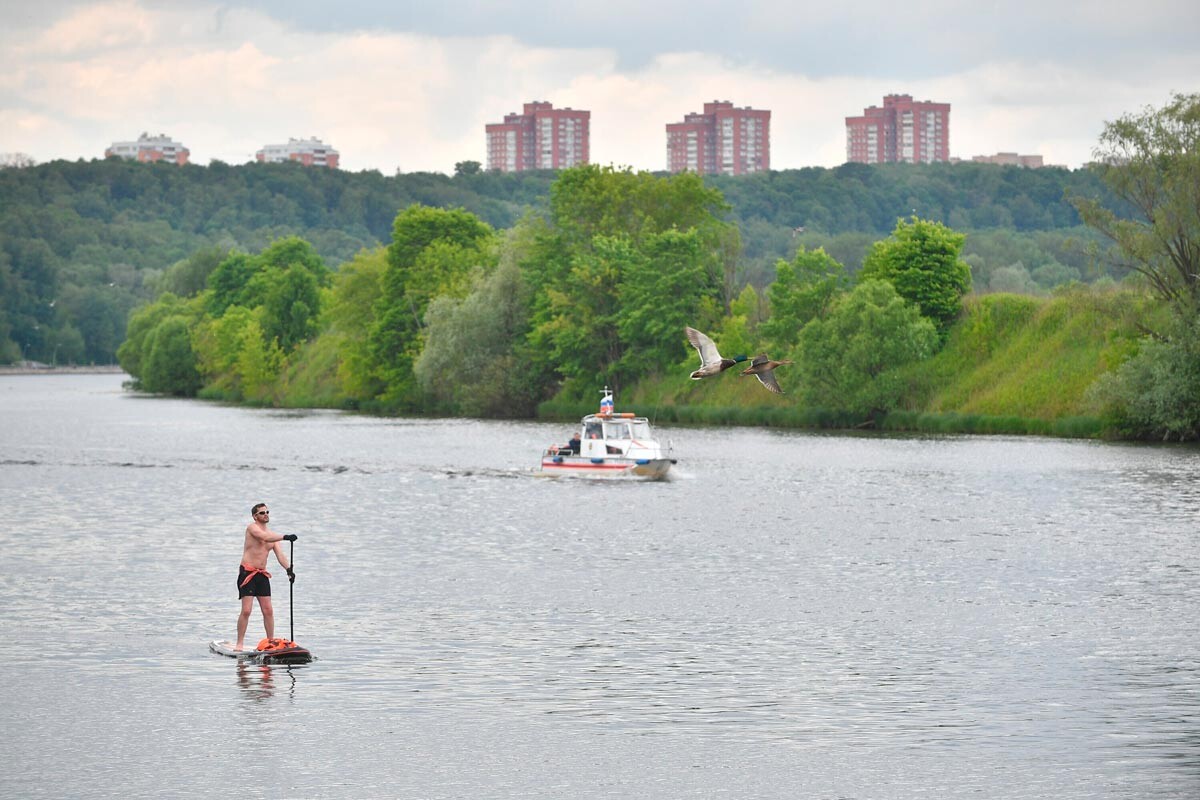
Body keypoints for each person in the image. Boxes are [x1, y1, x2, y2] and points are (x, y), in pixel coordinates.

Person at [235, 503, 297, 650]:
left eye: (267, 512)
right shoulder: (252, 528)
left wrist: (289, 570)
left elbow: (280, 555)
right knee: (246, 610)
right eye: (262, 513)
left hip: (262, 575)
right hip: (247, 573)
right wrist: (285, 537)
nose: (266, 514)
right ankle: (239, 643)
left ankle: (270, 642)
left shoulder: (272, 536)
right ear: (255, 516)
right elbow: (264, 537)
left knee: (268, 610)